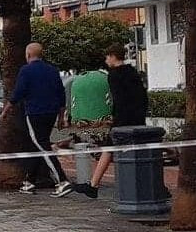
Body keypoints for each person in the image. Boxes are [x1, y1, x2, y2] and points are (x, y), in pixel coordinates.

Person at [9, 41, 73, 196]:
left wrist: (5, 111)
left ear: (28, 55)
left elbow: (18, 93)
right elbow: (61, 94)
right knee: (36, 144)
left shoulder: (26, 70)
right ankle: (29, 181)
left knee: (42, 144)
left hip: (35, 113)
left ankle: (62, 180)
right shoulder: (52, 70)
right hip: (51, 113)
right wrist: (60, 117)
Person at [87, 47, 148, 194]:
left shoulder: (114, 75)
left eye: (107, 57)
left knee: (109, 147)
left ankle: (93, 185)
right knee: (141, 148)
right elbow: (142, 95)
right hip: (138, 116)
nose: (106, 60)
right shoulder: (132, 71)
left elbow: (118, 98)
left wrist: (114, 116)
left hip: (122, 118)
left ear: (113, 56)